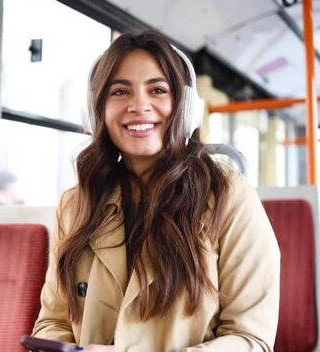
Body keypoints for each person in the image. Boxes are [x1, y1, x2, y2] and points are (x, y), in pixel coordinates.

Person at [32, 31, 280, 352]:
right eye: (120, 91)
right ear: (96, 113)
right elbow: (53, 322)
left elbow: (251, 340)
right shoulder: (76, 203)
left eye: (158, 90)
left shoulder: (228, 195)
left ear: (185, 107)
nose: (139, 105)